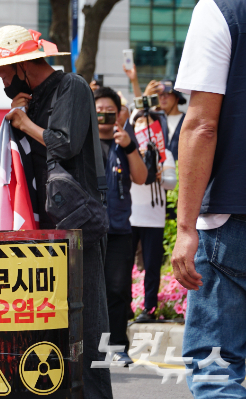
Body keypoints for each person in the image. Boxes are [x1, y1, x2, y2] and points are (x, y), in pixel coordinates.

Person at [0, 25, 112, 397]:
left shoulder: (72, 87)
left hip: (80, 227)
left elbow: (63, 144)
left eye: (1, 72)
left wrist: (24, 121)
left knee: (89, 328)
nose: (1, 81)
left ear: (22, 65)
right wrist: (24, 113)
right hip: (44, 230)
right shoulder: (30, 99)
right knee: (52, 327)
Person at [171, 0, 246, 395]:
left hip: (232, 218)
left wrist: (185, 228)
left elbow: (201, 125)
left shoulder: (221, 9)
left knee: (216, 370)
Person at [94, 87, 147, 364]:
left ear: (119, 114)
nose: (103, 116)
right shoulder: (81, 142)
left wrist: (128, 145)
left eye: (109, 112)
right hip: (88, 232)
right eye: (98, 111)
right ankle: (91, 347)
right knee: (88, 290)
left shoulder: (125, 141)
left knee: (117, 291)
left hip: (118, 231)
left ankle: (117, 347)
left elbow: (141, 177)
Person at [129, 110, 177, 323]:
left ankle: (149, 309)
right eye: (139, 122)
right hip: (128, 218)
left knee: (152, 266)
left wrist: (160, 174)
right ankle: (124, 310)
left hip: (154, 218)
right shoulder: (127, 150)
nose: (143, 126)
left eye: (148, 123)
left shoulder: (164, 152)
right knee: (122, 268)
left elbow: (171, 183)